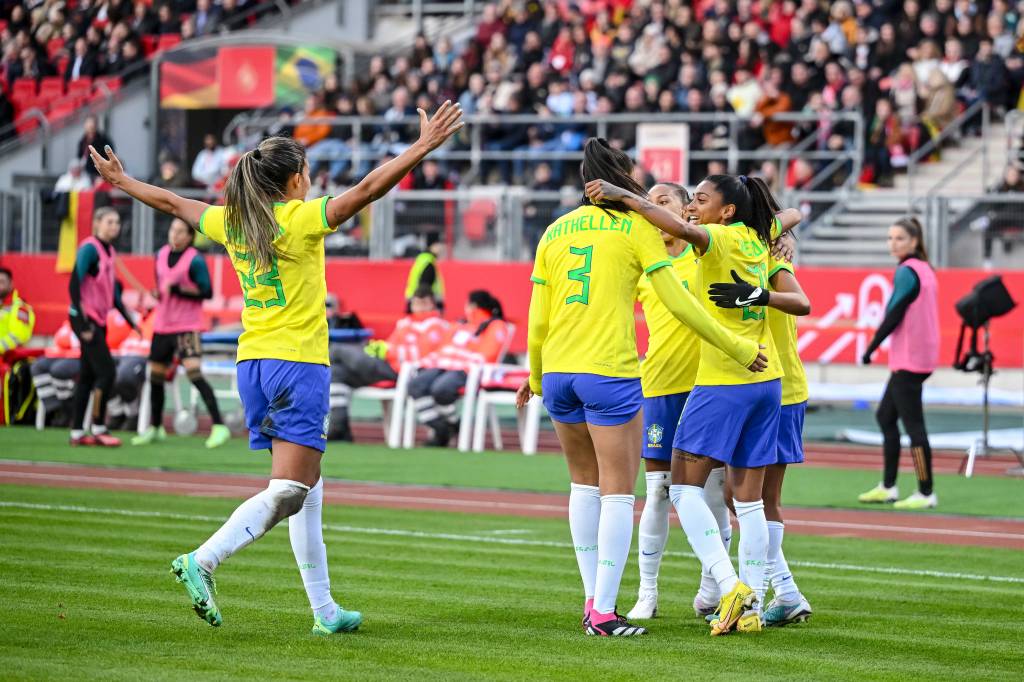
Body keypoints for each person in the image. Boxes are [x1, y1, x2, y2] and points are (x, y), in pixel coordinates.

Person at [88, 100, 464, 634]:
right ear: (292, 181)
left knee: (308, 489)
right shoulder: (298, 219)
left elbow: (174, 204)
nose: (311, 182)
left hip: (254, 363)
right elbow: (366, 192)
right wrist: (421, 147)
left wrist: (123, 182)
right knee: (290, 491)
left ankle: (325, 611)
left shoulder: (233, 221)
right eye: (307, 174)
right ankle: (203, 560)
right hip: (297, 364)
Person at [518, 139, 766, 637]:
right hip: (610, 371)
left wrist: (535, 375)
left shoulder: (554, 231)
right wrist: (736, 345)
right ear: (620, 176)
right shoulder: (635, 227)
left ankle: (591, 601)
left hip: (561, 374)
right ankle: (605, 614)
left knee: (582, 485)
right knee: (616, 493)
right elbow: (679, 303)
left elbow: (537, 314)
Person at [584, 172, 803, 635]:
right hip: (768, 381)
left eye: (698, 200)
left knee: (682, 490)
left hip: (722, 380)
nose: (689, 209)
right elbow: (790, 216)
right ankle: (753, 606)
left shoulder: (716, 239)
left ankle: (729, 587)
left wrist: (623, 195)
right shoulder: (759, 239)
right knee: (747, 503)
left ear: (725, 211)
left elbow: (686, 230)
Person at [625, 182, 726, 622]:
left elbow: (779, 219)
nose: (652, 207)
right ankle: (647, 592)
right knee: (658, 494)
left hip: (710, 388)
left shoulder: (705, 253)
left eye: (660, 201)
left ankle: (710, 590)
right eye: (648, 201)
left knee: (717, 494)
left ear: (684, 211)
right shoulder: (645, 266)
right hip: (662, 388)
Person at [858, 217, 940, 510]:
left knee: (914, 427)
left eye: (900, 239)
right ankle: (889, 486)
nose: (893, 244)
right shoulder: (925, 269)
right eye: (890, 238)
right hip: (921, 356)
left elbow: (893, 315)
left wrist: (870, 348)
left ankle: (926, 491)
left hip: (910, 359)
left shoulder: (907, 272)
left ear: (914, 242)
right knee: (885, 417)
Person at [133, 218, 230, 449]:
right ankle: (155, 427)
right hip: (162, 325)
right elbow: (161, 286)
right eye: (172, 230)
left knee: (194, 374)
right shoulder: (160, 255)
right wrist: (159, 294)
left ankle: (219, 425)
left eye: (180, 232)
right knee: (155, 377)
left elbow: (206, 292)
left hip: (187, 326)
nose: (174, 235)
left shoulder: (195, 260)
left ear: (189, 237)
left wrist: (177, 290)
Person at [328, 286, 449, 441]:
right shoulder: (405, 323)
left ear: (432, 304)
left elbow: (421, 356)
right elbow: (392, 344)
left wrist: (387, 351)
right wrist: (380, 348)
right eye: (416, 303)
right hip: (385, 365)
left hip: (401, 371)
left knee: (337, 350)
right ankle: (340, 426)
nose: (419, 307)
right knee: (337, 372)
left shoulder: (436, 326)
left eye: (423, 303)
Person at [67, 207, 139, 446]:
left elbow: (114, 295)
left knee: (87, 376)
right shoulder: (90, 248)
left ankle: (77, 432)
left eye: (117, 222)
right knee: (107, 372)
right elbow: (74, 284)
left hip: (98, 320)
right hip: (85, 320)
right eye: (109, 222)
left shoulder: (109, 251)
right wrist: (83, 322)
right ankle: (98, 427)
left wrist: (131, 322)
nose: (114, 227)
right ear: (97, 223)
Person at [409, 289, 508, 447]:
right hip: (442, 366)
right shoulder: (459, 325)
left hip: (468, 371)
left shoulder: (496, 325)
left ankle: (446, 429)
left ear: (473, 306)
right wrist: (428, 362)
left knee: (440, 389)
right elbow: (443, 348)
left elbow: (488, 354)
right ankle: (446, 427)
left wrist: (463, 361)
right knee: (415, 385)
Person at [404, 235, 445, 312]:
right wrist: (429, 305)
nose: (441, 248)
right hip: (422, 304)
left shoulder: (422, 259)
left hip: (415, 301)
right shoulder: (428, 262)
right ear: (433, 245)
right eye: (438, 244)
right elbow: (425, 286)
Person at [0, 266, 35, 355]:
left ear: (11, 284)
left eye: (2, 282)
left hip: (10, 359)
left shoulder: (21, 308)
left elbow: (18, 336)